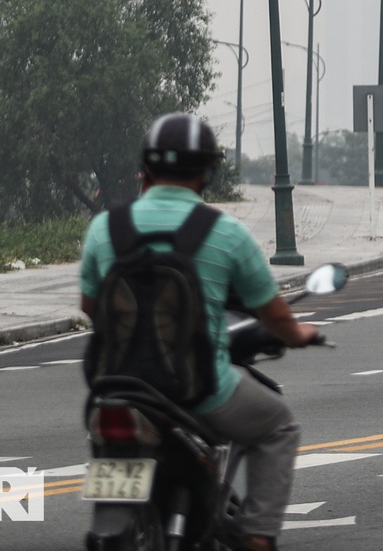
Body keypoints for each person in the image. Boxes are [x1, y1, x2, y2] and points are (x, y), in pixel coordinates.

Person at [79, 114, 316, 551]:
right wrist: (298, 334)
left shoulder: (103, 229)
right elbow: (273, 312)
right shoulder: (225, 233)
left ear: (145, 168)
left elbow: (92, 308)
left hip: (115, 391)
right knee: (279, 427)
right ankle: (259, 536)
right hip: (200, 390)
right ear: (206, 172)